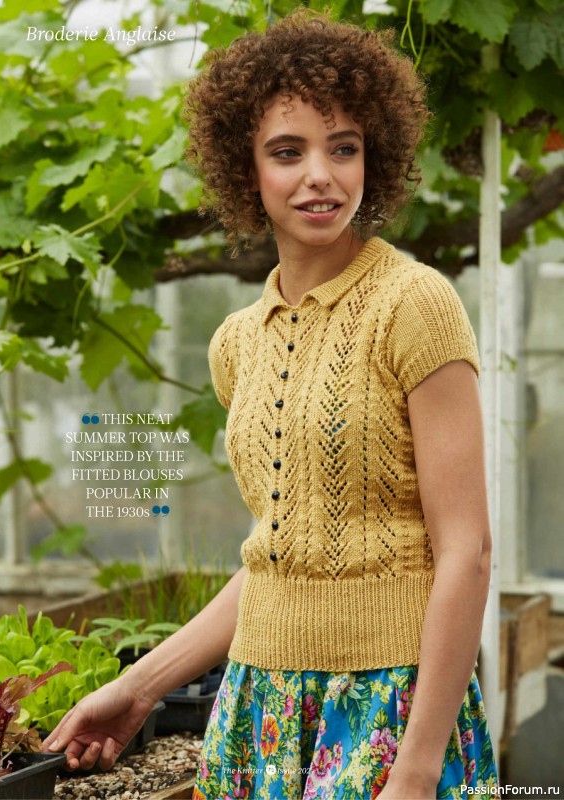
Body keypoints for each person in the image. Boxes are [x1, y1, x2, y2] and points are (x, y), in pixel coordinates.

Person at [44, 10, 499, 799]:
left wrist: (419, 766)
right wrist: (139, 687)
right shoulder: (237, 343)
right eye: (288, 152)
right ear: (244, 168)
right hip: (258, 712)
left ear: (374, 157)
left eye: (344, 148)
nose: (321, 174)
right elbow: (278, 562)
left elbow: (469, 551)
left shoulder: (414, 305)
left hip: (389, 710)